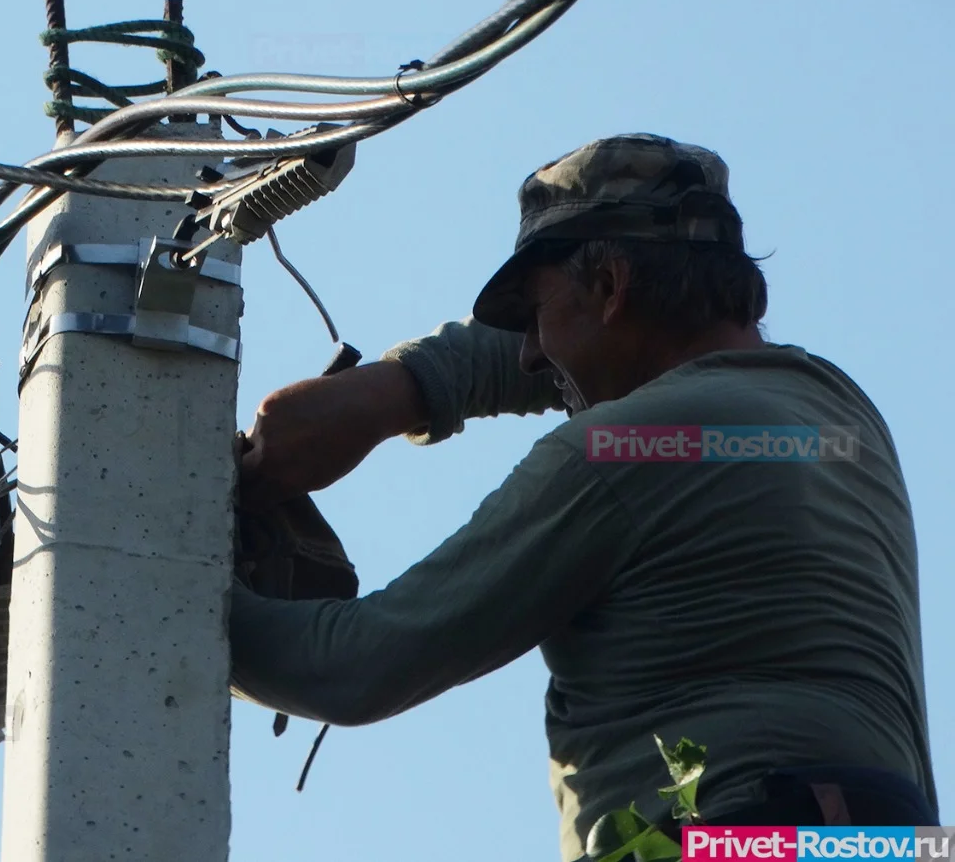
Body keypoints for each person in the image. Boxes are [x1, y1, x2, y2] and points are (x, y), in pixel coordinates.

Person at [228, 133, 939, 860]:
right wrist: (393, 391)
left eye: (535, 315)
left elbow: (353, 667)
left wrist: (164, 568)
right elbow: (606, 354)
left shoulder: (618, 453)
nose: (531, 352)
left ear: (609, 288)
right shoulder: (836, 419)